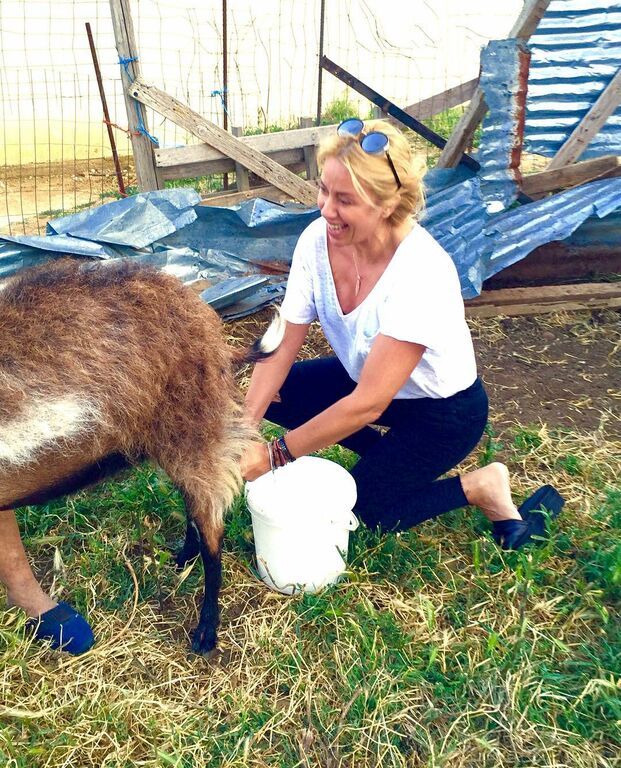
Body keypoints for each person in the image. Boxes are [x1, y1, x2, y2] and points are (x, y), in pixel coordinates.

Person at [240, 118, 564, 547]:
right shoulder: (317, 241)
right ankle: (392, 464)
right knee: (280, 390)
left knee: (360, 514)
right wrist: (243, 432)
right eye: (323, 190)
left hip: (442, 413)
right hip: (371, 386)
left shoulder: (420, 270)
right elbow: (281, 346)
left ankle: (480, 486)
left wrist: (274, 455)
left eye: (344, 200)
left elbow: (368, 403)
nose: (325, 210)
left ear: (388, 205)